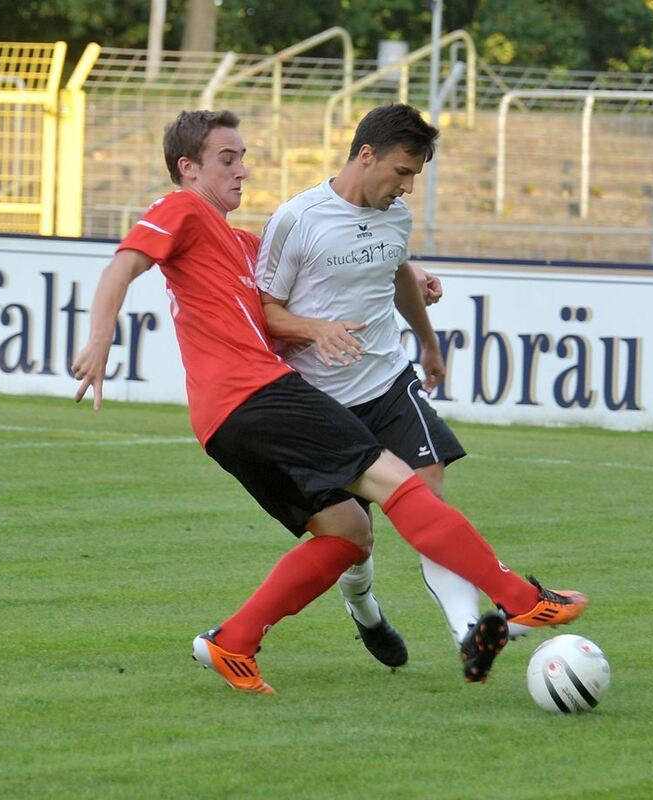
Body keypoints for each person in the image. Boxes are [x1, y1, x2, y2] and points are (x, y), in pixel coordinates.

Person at [72, 109, 587, 695]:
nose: (242, 170)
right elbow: (124, 264)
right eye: (227, 159)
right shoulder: (182, 208)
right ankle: (520, 599)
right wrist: (100, 337)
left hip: (223, 423)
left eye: (243, 158)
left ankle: (233, 641)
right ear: (188, 168)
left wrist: (408, 272)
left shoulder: (239, 243)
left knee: (348, 533)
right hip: (259, 394)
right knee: (398, 481)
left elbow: (319, 272)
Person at [255, 104, 516, 675]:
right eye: (402, 172)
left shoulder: (396, 218)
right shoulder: (297, 219)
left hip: (388, 382)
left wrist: (428, 342)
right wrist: (316, 330)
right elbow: (265, 311)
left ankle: (469, 633)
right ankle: (364, 609)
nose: (407, 187)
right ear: (366, 155)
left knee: (430, 496)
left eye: (415, 176)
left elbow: (397, 273)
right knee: (356, 538)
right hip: (319, 403)